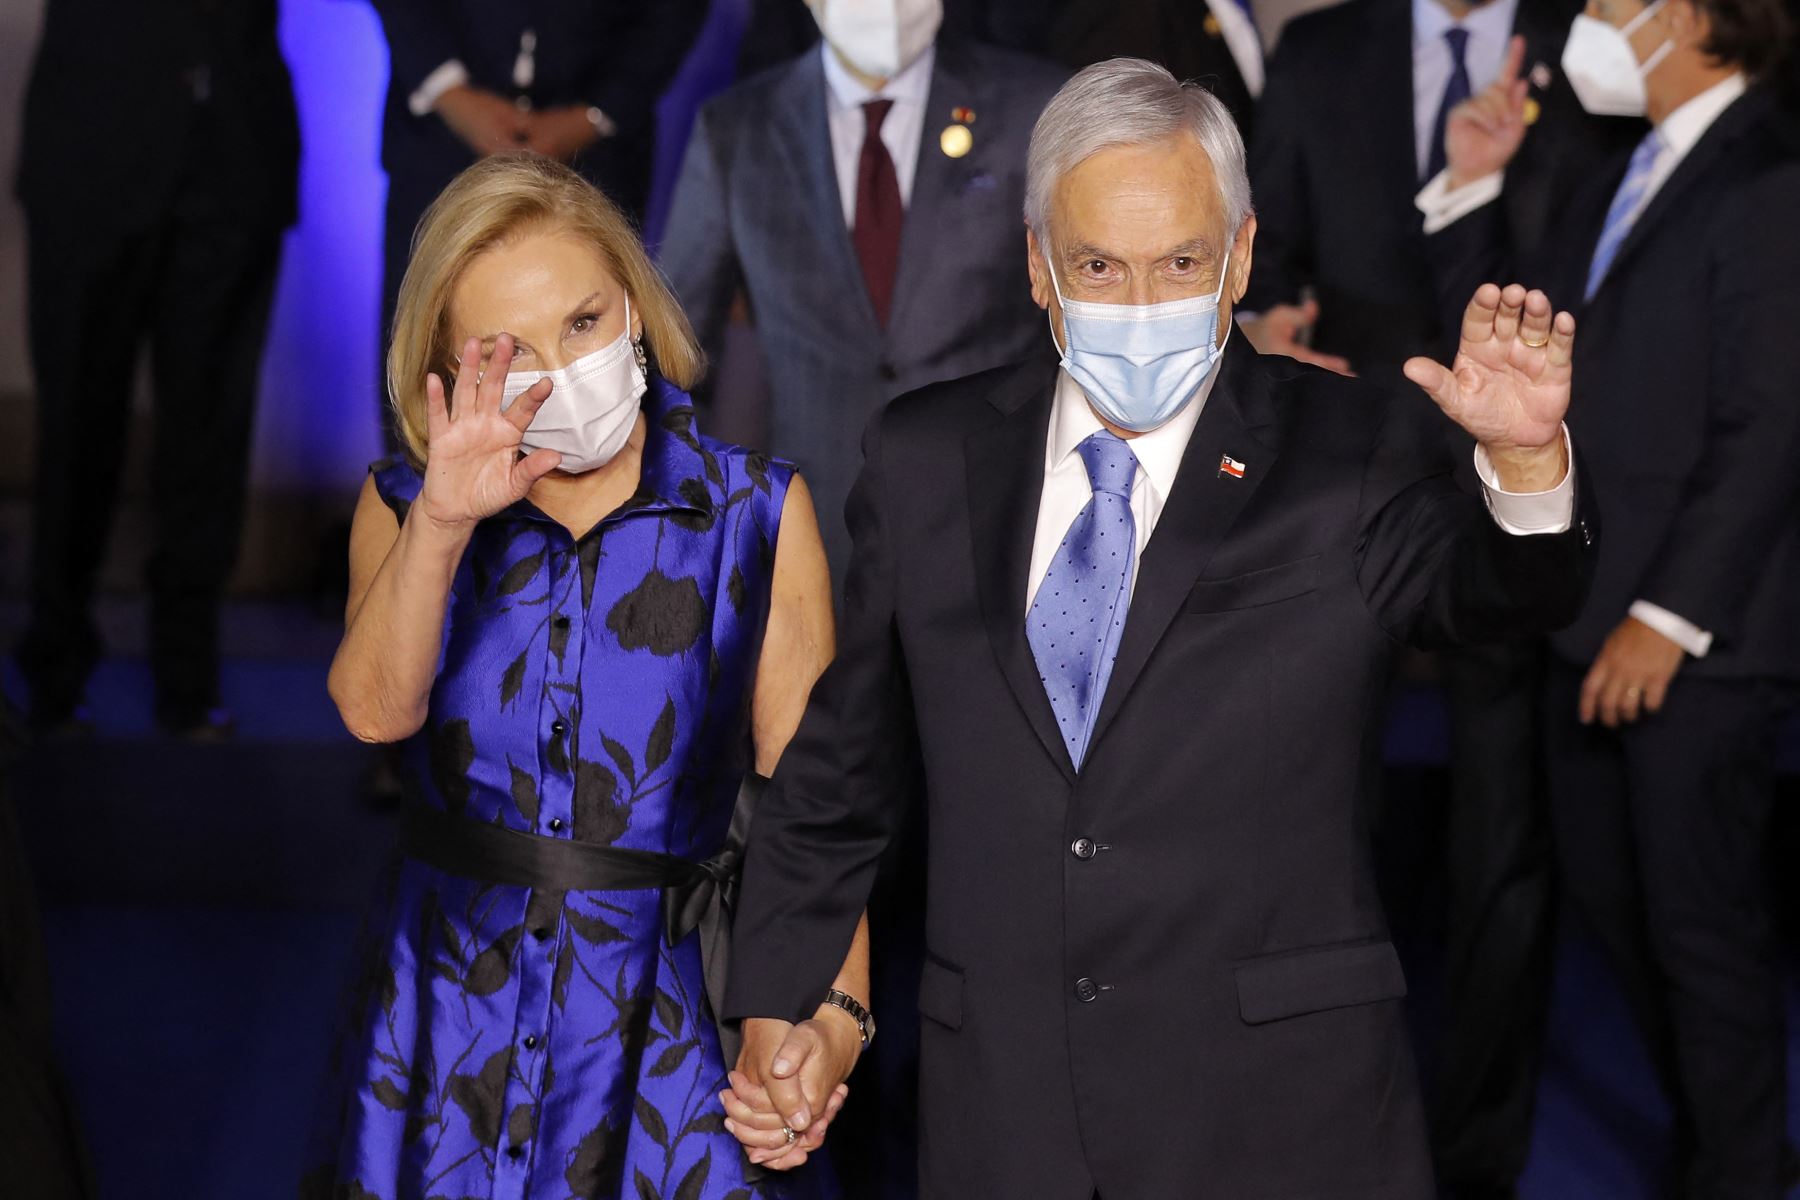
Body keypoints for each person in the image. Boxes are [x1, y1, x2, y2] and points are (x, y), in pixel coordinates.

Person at [719, 59, 1598, 1197]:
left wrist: (1525, 465)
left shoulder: (1351, 448)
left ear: (1239, 256)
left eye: (1182, 262)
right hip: (1004, 1114)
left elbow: (1500, 598)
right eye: (1099, 266)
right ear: (1037, 267)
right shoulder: (928, 459)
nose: (1142, 306)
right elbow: (839, 779)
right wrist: (779, 1004)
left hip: (1282, 1118)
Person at [304, 154, 867, 1199]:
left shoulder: (754, 513)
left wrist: (833, 1019)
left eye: (584, 322)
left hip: (671, 1024)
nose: (563, 370)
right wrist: (442, 520)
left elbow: (815, 813)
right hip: (448, 1018)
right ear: (449, 366)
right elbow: (376, 715)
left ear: (638, 312)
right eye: (511, 350)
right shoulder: (401, 507)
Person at [1427, 0, 1800, 1193]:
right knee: (1619, 908)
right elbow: (1514, 353)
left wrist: (1668, 618)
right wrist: (1471, 186)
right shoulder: (1632, 162)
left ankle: (1739, 1168)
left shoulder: (1772, 171)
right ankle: (1718, 1145)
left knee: (1703, 937)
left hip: (1695, 639)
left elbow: (1770, 426)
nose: (1586, 16)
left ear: (1687, 15)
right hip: (1587, 617)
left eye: (1607, 0)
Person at [660, 0, 1066, 587]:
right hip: (814, 532)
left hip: (1000, 519)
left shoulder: (1035, 106)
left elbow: (1083, 307)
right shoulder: (739, 129)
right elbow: (677, 351)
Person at [13, 0, 300, 738]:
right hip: (91, 147)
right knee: (76, 423)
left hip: (235, 152)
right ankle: (54, 668)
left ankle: (189, 676)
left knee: (211, 433)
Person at [1243, 0, 1628, 390]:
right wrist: (1256, 336)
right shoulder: (1315, 48)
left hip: (1537, 407)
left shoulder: (1596, 40)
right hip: (1353, 407)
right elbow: (1263, 241)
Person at [371, 0, 708, 437]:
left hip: (599, 152)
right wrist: (449, 92)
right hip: (438, 144)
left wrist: (598, 113)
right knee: (423, 360)